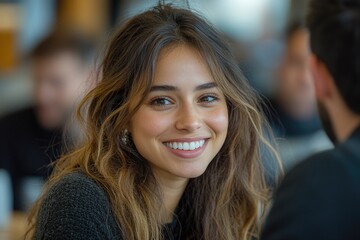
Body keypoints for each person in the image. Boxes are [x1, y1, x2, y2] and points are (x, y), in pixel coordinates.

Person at [27, 4, 280, 240]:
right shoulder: (80, 204)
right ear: (120, 112)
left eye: (208, 97)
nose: (191, 121)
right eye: (162, 101)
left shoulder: (225, 199)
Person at [261, 0, 360, 239]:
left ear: (317, 73)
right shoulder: (252, 131)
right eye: (295, 62)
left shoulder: (318, 183)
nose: (303, 80)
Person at [0, 32, 95, 211]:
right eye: (37, 80)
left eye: (56, 82)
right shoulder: (10, 128)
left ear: (91, 78)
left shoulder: (109, 138)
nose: (42, 95)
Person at [266, 22, 331, 170]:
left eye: (314, 68)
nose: (305, 78)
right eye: (296, 62)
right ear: (278, 63)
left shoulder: (337, 137)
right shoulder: (249, 127)